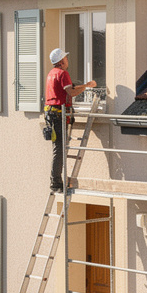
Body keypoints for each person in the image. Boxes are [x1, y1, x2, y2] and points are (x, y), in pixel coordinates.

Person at [45, 47, 97, 191]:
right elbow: (72, 92)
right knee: (59, 150)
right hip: (57, 115)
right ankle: (55, 183)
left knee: (58, 149)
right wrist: (87, 86)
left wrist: (84, 85)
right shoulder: (63, 73)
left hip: (52, 114)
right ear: (61, 61)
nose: (68, 60)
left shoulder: (52, 73)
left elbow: (70, 87)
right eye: (66, 58)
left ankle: (55, 181)